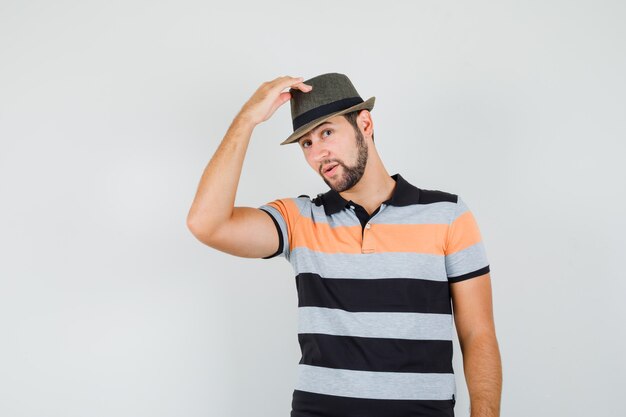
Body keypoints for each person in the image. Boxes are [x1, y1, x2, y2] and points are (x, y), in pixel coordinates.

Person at [187, 73, 502, 417]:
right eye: (306, 143)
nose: (318, 152)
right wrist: (247, 119)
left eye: (327, 132)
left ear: (364, 123)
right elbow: (206, 223)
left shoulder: (447, 214)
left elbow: (478, 334)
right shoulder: (299, 219)